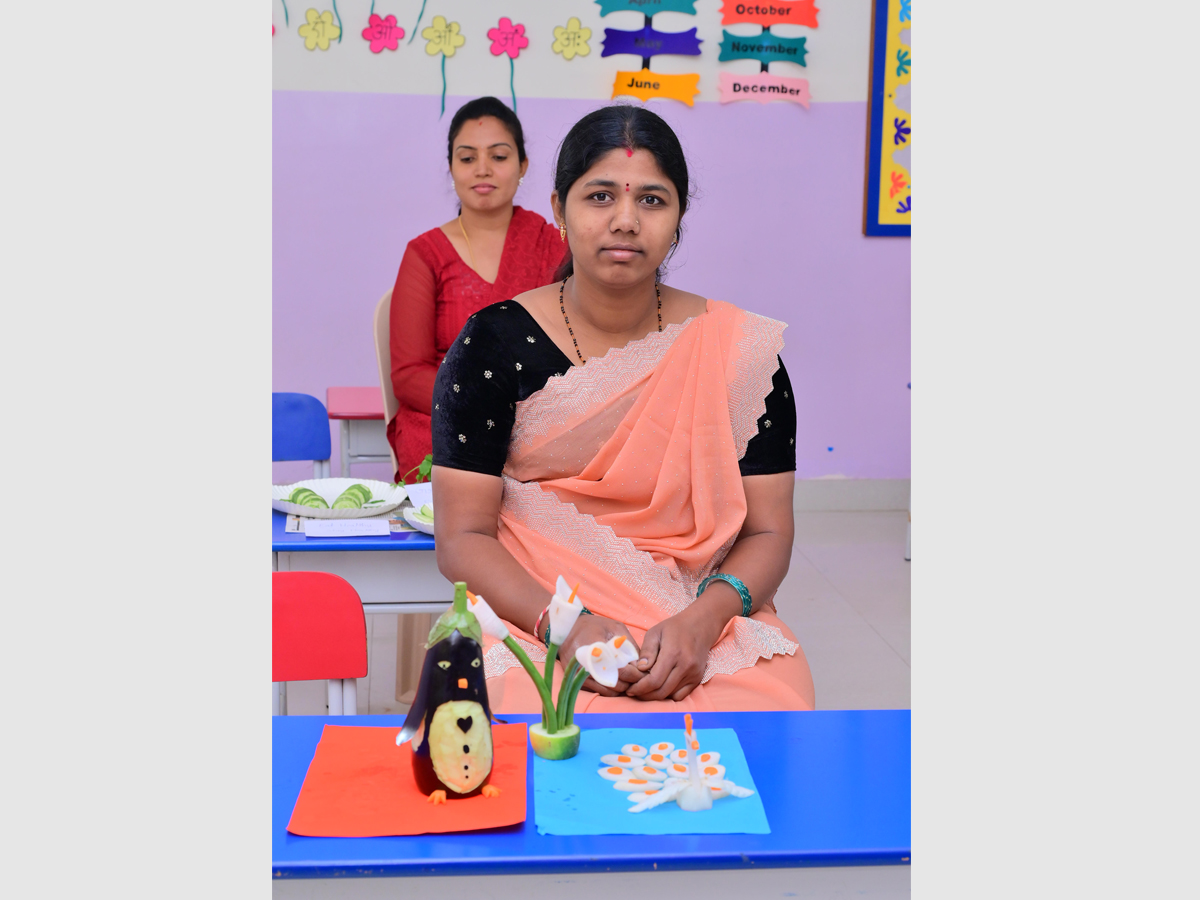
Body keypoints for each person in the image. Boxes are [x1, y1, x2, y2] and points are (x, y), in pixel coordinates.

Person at [430, 105, 814, 713]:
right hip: (534, 611)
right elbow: (462, 535)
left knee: (772, 711)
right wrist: (565, 626)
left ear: (679, 216)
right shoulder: (492, 344)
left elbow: (768, 531)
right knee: (533, 728)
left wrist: (704, 620)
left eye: (653, 201)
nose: (626, 220)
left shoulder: (737, 352)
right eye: (600, 196)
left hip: (700, 611)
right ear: (559, 209)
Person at [387, 97, 566, 482]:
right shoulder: (425, 255)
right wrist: (479, 405)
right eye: (467, 158)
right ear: (451, 167)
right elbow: (408, 374)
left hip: (540, 423)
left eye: (498, 156)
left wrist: (524, 414)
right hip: (447, 420)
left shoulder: (554, 247)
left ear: (523, 166)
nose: (482, 169)